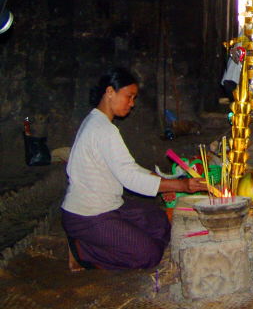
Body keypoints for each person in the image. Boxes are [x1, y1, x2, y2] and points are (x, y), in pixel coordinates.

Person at [61, 67, 208, 271]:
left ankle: (121, 239)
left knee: (158, 221)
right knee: (149, 255)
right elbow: (130, 177)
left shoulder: (100, 123)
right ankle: (82, 251)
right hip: (88, 216)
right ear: (110, 92)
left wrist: (161, 181)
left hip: (111, 206)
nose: (132, 104)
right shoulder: (102, 129)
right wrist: (182, 185)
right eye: (129, 97)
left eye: (134, 98)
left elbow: (128, 167)